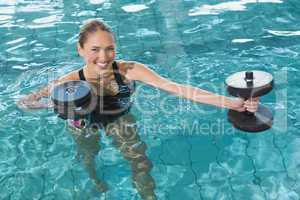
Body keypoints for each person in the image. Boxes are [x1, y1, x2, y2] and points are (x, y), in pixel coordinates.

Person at [17, 19, 259, 200]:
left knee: (141, 162)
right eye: (95, 49)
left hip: (119, 118)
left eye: (109, 48)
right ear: (80, 50)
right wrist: (58, 104)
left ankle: (148, 196)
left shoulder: (129, 70)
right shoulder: (68, 81)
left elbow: (177, 88)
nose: (104, 56)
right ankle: (95, 182)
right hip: (83, 123)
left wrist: (233, 103)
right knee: (88, 157)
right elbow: (25, 102)